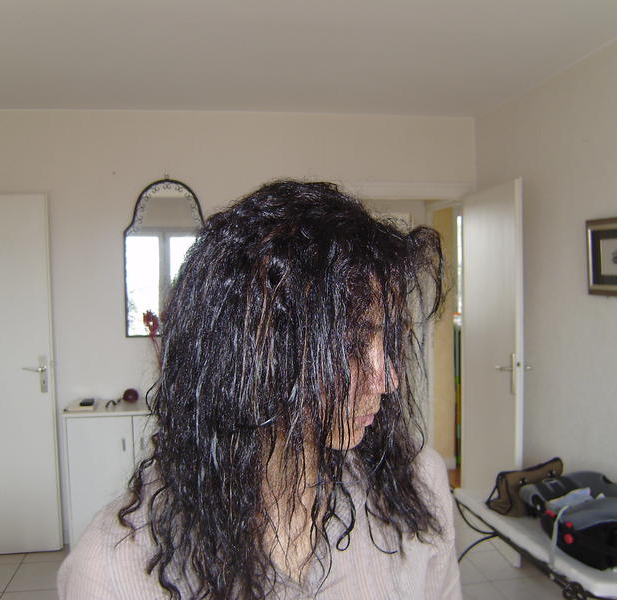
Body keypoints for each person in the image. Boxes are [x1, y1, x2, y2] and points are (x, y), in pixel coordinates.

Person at [58, 180, 462, 600]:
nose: (388, 379)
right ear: (250, 353)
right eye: (352, 344)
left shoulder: (417, 487)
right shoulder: (113, 569)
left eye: (390, 338)